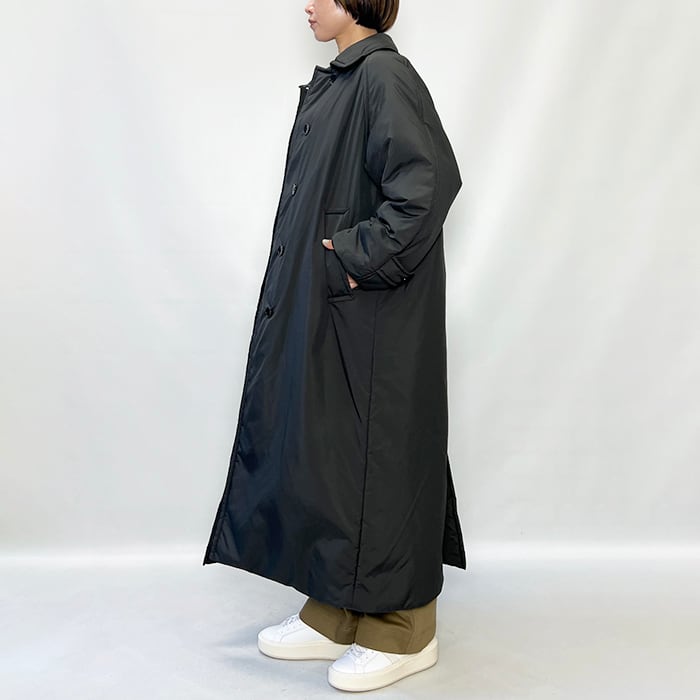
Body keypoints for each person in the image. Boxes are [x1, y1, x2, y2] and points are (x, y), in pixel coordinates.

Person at [203, 0, 467, 692]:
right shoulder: (347, 81)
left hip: (374, 314)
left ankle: (403, 630)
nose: (307, 4)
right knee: (330, 455)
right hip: (336, 311)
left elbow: (427, 186)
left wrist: (354, 257)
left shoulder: (384, 77)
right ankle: (337, 612)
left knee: (380, 457)